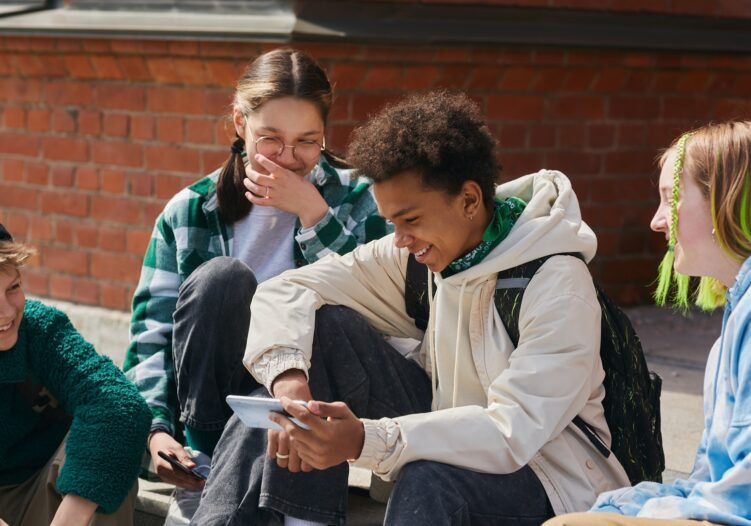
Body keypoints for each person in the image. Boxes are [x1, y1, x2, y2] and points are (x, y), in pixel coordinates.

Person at [193, 91, 630, 525]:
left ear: (470, 200)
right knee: (304, 351)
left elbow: (511, 430)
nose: (399, 239)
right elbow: (287, 289)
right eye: (392, 222)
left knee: (429, 478)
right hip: (439, 430)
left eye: (411, 220)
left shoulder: (557, 283)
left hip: (547, 476)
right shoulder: (413, 258)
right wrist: (290, 384)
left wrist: (367, 438)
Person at [121, 48, 390, 523]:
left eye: (308, 140)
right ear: (240, 123)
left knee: (322, 315)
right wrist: (157, 431)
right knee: (223, 279)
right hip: (216, 406)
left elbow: (377, 316)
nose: (289, 158)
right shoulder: (190, 212)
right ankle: (204, 464)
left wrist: (314, 214)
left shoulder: (361, 198)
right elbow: (151, 337)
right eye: (271, 139)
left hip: (314, 392)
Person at [544, 122, 751, 526]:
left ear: (722, 201)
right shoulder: (733, 322)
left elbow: (736, 498)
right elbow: (708, 479)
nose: (657, 221)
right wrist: (622, 503)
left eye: (670, 199)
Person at [0, 224, 151, 526]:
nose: (5, 311)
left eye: (12, 288)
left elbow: (119, 404)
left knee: (107, 462)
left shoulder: (39, 327)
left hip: (49, 494)